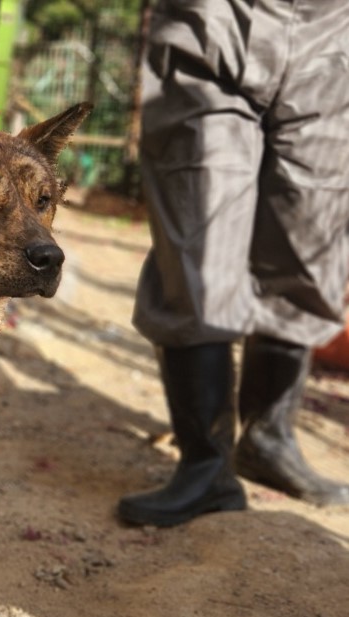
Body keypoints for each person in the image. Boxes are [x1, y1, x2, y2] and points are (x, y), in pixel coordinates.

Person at [118, 0, 349, 527]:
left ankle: (269, 441)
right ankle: (207, 466)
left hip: (335, 30)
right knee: (197, 247)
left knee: (308, 247)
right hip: (215, 22)